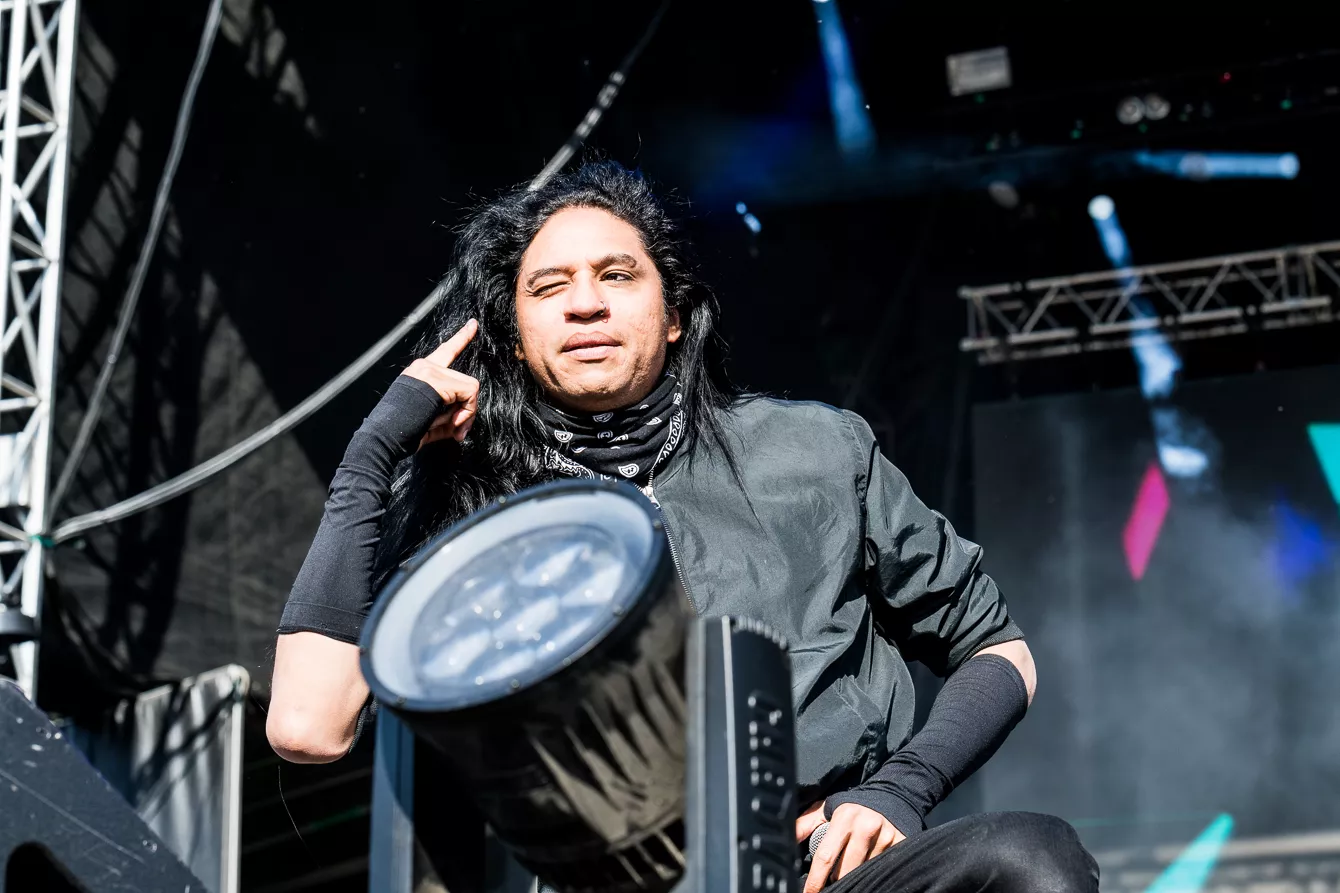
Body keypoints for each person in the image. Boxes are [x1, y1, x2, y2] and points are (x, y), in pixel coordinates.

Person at [267, 161, 1099, 893]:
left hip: (826, 866)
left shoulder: (816, 449)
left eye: (616, 274)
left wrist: (899, 789)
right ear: (514, 340)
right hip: (611, 884)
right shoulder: (475, 516)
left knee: (1031, 858)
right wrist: (372, 456)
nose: (585, 302)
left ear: (672, 315)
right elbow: (306, 727)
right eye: (548, 288)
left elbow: (1000, 649)